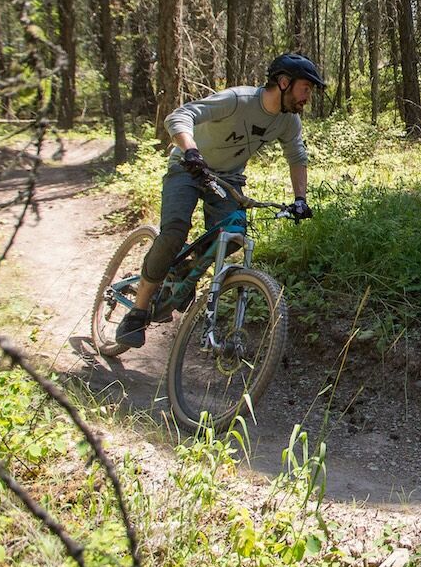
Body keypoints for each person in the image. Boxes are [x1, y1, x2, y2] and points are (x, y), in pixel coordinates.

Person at [114, 53, 324, 348]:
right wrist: (190, 151)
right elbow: (179, 116)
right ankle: (137, 311)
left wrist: (300, 199)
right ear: (284, 82)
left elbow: (297, 158)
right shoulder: (238, 100)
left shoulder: (289, 122)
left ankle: (184, 272)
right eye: (306, 88)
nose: (308, 97)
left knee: (234, 236)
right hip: (188, 168)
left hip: (228, 179)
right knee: (174, 231)